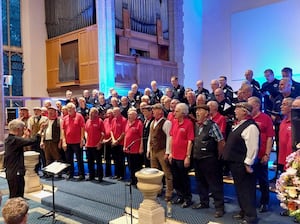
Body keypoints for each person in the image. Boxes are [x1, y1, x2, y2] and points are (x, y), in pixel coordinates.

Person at [223, 102, 260, 224]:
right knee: (240, 189)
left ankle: (251, 217)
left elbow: (253, 147)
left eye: (237, 109)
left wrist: (248, 163)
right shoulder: (240, 125)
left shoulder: (251, 127)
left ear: (244, 111)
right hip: (236, 163)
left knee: (247, 190)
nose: (234, 111)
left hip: (243, 164)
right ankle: (243, 211)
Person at [192, 104, 225, 218]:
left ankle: (220, 208)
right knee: (200, 182)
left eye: (200, 111)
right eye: (196, 111)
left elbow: (221, 141)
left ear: (206, 113)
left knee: (214, 185)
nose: (197, 113)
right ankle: (203, 202)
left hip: (209, 160)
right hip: (198, 158)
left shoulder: (212, 125)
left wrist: (218, 157)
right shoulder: (196, 125)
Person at [248, 96, 274, 213]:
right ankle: (251, 201)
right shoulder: (247, 118)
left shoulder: (265, 118)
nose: (247, 108)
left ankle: (265, 202)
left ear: (257, 105)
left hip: (261, 154)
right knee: (250, 180)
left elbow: (270, 137)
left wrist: (267, 154)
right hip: (249, 156)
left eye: (250, 105)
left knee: (263, 180)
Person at [4, 119, 43, 198]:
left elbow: (23, 140)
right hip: (16, 172)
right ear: (18, 129)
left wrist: (26, 135)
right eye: (23, 129)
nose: (23, 131)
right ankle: (16, 210)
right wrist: (40, 130)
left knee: (14, 195)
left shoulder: (9, 139)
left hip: (11, 171)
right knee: (17, 196)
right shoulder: (15, 140)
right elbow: (33, 140)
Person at [168, 103, 194, 208]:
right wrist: (170, 153)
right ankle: (180, 196)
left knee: (184, 179)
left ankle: (188, 198)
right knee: (176, 178)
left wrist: (188, 156)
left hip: (183, 157)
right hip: (173, 155)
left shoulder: (188, 123)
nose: (174, 113)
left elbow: (190, 141)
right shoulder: (174, 122)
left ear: (183, 113)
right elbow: (171, 138)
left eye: (177, 111)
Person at [147, 103, 173, 201]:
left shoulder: (166, 123)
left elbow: (169, 138)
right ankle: (158, 189)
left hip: (162, 150)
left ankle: (169, 191)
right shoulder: (153, 122)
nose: (152, 111)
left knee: (167, 172)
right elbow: (150, 136)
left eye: (154, 109)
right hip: (154, 150)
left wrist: (168, 152)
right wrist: (148, 150)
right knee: (155, 172)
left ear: (160, 111)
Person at [62, 102, 85, 181]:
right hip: (68, 142)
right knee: (69, 159)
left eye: (71, 109)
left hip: (77, 142)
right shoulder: (65, 118)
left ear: (74, 109)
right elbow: (63, 130)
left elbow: (82, 128)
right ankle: (70, 174)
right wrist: (64, 141)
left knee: (79, 159)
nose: (69, 110)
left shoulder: (79, 116)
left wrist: (82, 139)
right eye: (68, 109)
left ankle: (81, 174)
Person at [123, 108, 143, 185]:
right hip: (128, 149)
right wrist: (124, 146)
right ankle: (133, 180)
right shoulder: (127, 123)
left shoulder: (139, 123)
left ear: (135, 116)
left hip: (136, 149)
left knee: (137, 166)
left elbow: (141, 137)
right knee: (130, 166)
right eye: (128, 115)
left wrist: (141, 148)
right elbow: (126, 135)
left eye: (131, 115)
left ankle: (139, 181)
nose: (129, 116)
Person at [85, 107, 105, 182]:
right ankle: (91, 176)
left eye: (92, 112)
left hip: (97, 145)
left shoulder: (100, 121)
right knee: (90, 162)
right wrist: (86, 140)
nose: (90, 113)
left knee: (98, 162)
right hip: (89, 145)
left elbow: (103, 133)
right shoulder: (87, 121)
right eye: (90, 111)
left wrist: (100, 143)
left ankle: (100, 177)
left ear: (96, 114)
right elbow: (86, 131)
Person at [111, 107, 127, 180]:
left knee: (121, 160)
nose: (114, 114)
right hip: (114, 143)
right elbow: (111, 131)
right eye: (113, 112)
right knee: (115, 159)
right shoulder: (113, 120)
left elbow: (124, 133)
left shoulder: (124, 120)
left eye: (115, 112)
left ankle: (122, 175)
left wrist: (117, 141)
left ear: (119, 112)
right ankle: (117, 174)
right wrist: (114, 140)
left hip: (120, 143)